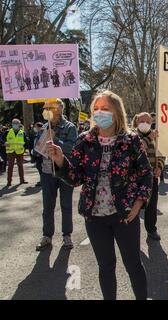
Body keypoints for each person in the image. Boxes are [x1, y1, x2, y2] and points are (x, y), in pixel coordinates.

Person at [47, 90, 152, 300]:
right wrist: (60, 161)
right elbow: (75, 177)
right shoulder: (83, 141)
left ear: (116, 113)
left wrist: (138, 204)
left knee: (133, 265)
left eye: (105, 109)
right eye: (96, 108)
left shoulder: (131, 141)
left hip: (125, 215)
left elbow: (146, 174)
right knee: (106, 267)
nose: (99, 112)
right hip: (94, 217)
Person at [35, 100, 78, 251]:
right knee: (48, 206)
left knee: (66, 205)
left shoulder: (70, 127)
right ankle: (47, 236)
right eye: (45, 108)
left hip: (64, 172)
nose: (47, 110)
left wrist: (55, 140)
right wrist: (39, 143)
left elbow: (72, 148)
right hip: (47, 173)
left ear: (59, 108)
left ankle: (67, 236)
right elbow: (37, 150)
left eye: (50, 107)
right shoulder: (44, 127)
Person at [132, 112, 165, 242]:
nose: (145, 124)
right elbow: (137, 150)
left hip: (151, 178)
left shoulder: (157, 136)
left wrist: (160, 167)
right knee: (134, 206)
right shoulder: (131, 136)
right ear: (136, 122)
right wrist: (149, 138)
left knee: (151, 206)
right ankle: (132, 233)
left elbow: (162, 154)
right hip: (134, 179)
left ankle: (151, 230)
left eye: (148, 121)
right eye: (142, 121)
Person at [5, 119, 28, 186]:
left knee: (20, 166)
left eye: (17, 123)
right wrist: (4, 143)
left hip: (20, 152)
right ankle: (9, 182)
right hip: (11, 152)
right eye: (14, 123)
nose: (15, 125)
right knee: (10, 166)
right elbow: (1, 139)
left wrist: (24, 149)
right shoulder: (7, 132)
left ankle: (22, 180)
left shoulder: (22, 132)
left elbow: (26, 142)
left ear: (19, 124)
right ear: (12, 124)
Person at [32, 122, 44, 187]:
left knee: (40, 167)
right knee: (39, 167)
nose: (34, 128)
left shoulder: (41, 133)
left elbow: (40, 143)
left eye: (35, 127)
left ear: (39, 127)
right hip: (38, 153)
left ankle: (42, 181)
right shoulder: (38, 133)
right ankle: (42, 180)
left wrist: (37, 153)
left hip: (40, 154)